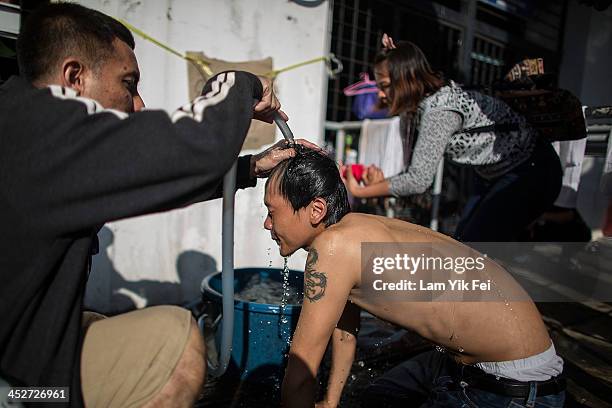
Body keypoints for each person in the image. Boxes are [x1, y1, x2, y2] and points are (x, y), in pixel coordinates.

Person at [0, 3, 316, 407]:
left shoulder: (21, 125)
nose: (139, 104)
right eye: (128, 83)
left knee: (99, 323)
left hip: (18, 350)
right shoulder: (43, 131)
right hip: (18, 388)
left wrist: (251, 167)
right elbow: (198, 147)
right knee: (175, 342)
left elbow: (150, 176)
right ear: (74, 77)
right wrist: (239, 82)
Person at [264, 148, 565, 408]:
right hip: (497, 363)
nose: (267, 224)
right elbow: (344, 332)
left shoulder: (332, 247)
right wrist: (331, 401)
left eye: (272, 212)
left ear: (316, 210)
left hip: (514, 385)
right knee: (377, 396)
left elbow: (301, 370)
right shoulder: (350, 229)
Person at [343, 35, 562, 242]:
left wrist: (361, 191)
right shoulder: (412, 112)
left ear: (405, 79)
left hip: (531, 170)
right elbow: (413, 172)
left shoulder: (439, 110)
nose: (380, 94)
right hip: (494, 175)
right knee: (464, 245)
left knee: (475, 251)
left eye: (385, 86)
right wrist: (378, 185)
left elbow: (418, 180)